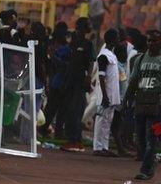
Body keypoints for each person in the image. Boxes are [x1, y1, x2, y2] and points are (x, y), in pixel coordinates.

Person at [123, 29, 161, 180]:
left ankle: (146, 169)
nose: (151, 43)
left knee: (151, 137)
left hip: (157, 105)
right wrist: (126, 101)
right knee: (140, 137)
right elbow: (133, 82)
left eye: (155, 40)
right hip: (141, 103)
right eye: (149, 40)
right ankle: (150, 163)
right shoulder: (140, 59)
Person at [61, 18, 94, 152]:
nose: (78, 30)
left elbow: (91, 62)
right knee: (70, 110)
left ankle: (76, 140)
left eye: (80, 28)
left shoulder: (88, 44)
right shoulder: (74, 43)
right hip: (70, 80)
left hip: (80, 81)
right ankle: (73, 139)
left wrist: (88, 76)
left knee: (76, 110)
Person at [93, 29, 121, 157]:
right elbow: (101, 77)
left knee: (107, 122)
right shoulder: (104, 56)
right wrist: (104, 95)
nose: (118, 39)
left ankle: (104, 146)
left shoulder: (111, 54)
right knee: (101, 120)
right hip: (105, 94)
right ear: (111, 39)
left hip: (111, 94)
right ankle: (97, 147)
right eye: (117, 37)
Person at [40, 22, 70, 138]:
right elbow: (51, 63)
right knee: (53, 107)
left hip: (57, 79)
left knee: (57, 107)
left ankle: (56, 130)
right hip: (56, 79)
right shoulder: (54, 45)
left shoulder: (55, 45)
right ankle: (46, 128)